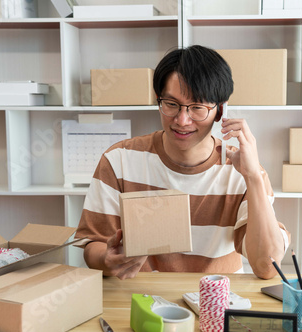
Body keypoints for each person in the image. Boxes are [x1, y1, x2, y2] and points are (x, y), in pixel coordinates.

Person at [75, 45, 290, 280]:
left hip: (217, 303)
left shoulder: (245, 172)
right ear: (158, 100)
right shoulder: (119, 160)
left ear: (220, 111)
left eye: (197, 107)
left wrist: (253, 178)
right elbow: (92, 246)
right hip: (143, 301)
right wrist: (106, 259)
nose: (182, 120)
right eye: (171, 104)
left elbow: (267, 267)